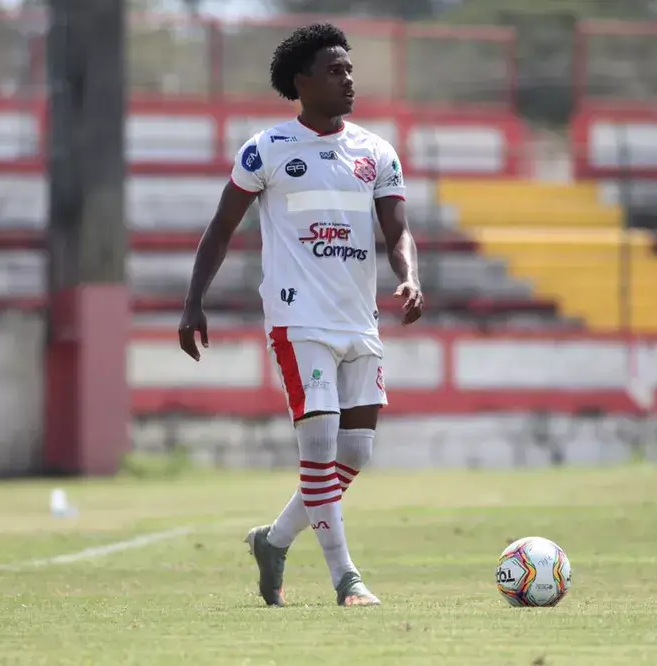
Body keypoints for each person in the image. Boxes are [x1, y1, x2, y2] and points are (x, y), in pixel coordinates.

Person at [177, 22, 424, 607]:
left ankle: (274, 540)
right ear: (301, 81)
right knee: (318, 444)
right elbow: (220, 229)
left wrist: (409, 275)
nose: (349, 80)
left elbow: (398, 231)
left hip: (358, 318)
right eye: (335, 71)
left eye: (350, 70)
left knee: (355, 452)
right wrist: (193, 301)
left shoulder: (376, 152)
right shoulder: (265, 150)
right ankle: (346, 579)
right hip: (298, 318)